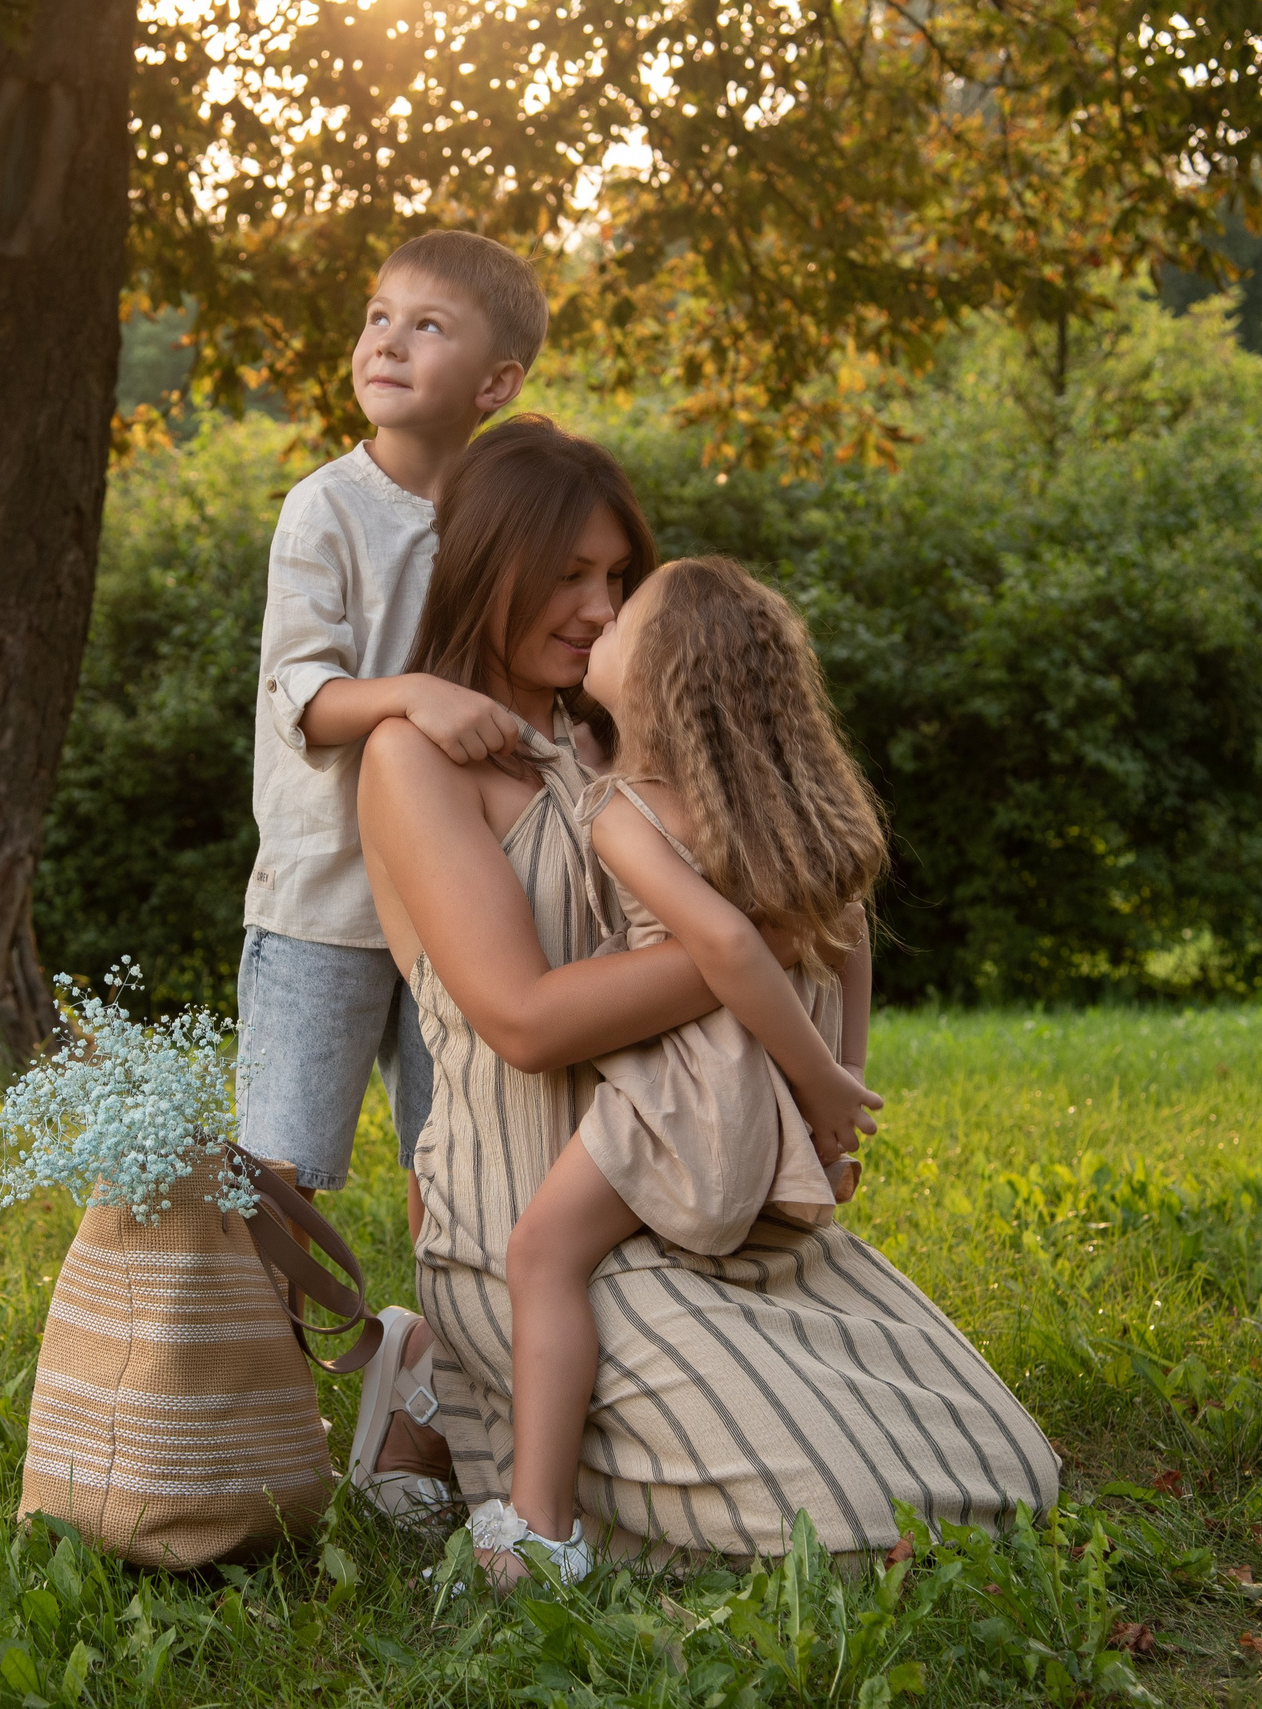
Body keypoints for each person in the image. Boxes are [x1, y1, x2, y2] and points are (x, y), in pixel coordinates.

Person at [349, 416, 1059, 1579]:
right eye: (567, 573)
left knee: (998, 1473)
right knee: (831, 1525)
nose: (595, 605)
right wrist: (755, 944)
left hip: (701, 1193)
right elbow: (521, 1020)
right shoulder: (413, 757)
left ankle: (456, 1399)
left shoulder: (617, 739)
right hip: (532, 1219)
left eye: (616, 578)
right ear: (487, 564)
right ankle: (468, 1395)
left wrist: (792, 971)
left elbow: (809, 891)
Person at [492, 556, 889, 1575]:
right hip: (768, 1097)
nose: (599, 630)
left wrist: (819, 1085)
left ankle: (536, 1524)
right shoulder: (780, 807)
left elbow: (723, 948)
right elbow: (849, 937)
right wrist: (835, 1091)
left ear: (660, 681)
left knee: (541, 1255)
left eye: (620, 624)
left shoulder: (625, 811)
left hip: (690, 1092)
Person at [238, 229, 548, 1241]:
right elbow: (306, 698)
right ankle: (266, 1386)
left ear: (495, 380)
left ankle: (450, 1371)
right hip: (322, 896)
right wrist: (416, 694)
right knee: (282, 1169)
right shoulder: (325, 507)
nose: (388, 341)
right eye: (378, 318)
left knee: (456, 1151)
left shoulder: (502, 518)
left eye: (427, 326)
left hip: (458, 896)